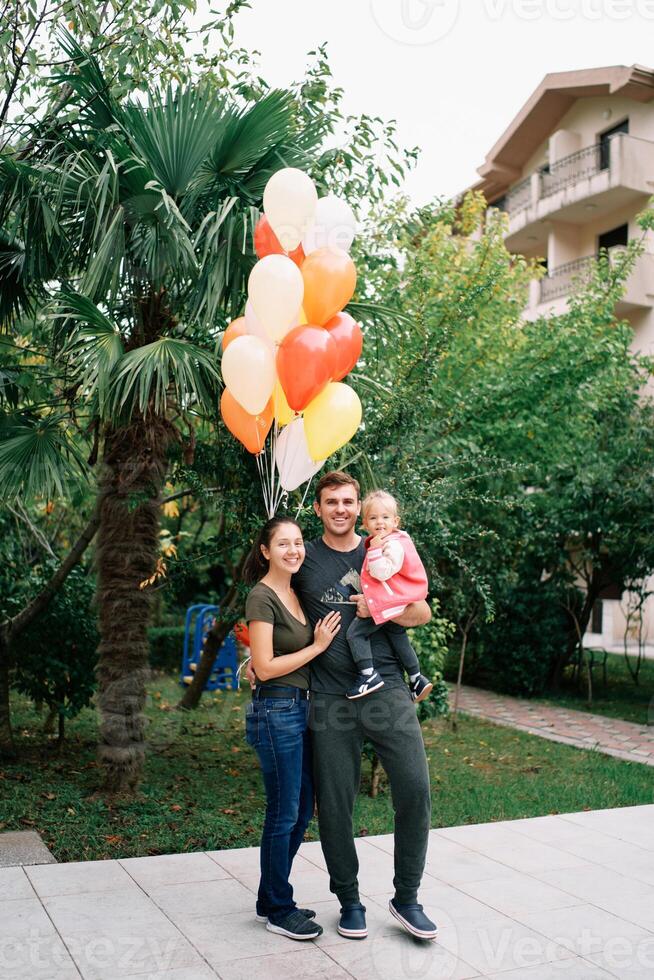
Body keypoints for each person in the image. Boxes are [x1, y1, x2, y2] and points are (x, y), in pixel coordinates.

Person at [292, 471, 438, 942]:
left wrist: (378, 609)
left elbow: (422, 610)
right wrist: (257, 654)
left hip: (388, 692)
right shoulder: (305, 558)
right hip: (331, 698)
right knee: (335, 805)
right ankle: (348, 900)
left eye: (348, 501)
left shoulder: (382, 545)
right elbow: (275, 603)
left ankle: (407, 898)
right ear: (317, 508)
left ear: (360, 508)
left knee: (415, 788)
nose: (340, 508)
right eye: (331, 501)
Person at [243, 515, 341, 941]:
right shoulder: (261, 596)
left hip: (300, 711)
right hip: (276, 711)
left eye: (298, 542)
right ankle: (279, 908)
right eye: (283, 544)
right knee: (283, 812)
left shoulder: (297, 591)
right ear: (265, 551)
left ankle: (271, 897)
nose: (294, 550)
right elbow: (264, 667)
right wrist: (318, 647)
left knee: (300, 811)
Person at [345, 489, 433, 702]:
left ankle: (368, 675)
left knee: (356, 634)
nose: (380, 523)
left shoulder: (391, 544)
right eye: (373, 518)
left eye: (385, 517)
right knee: (398, 635)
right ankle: (416, 677)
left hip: (388, 603)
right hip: (396, 600)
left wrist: (374, 551)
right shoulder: (393, 540)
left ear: (396, 521)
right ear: (365, 523)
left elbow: (382, 571)